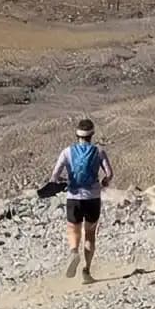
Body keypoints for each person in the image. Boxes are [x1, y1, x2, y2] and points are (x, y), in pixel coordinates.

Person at [52, 117, 113, 282]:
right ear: (92, 134)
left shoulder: (67, 152)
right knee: (90, 234)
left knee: (73, 228)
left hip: (73, 197)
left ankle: (73, 251)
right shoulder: (99, 151)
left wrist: (63, 182)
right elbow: (109, 174)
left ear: (77, 134)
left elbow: (55, 176)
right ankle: (86, 271)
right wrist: (104, 182)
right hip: (93, 197)